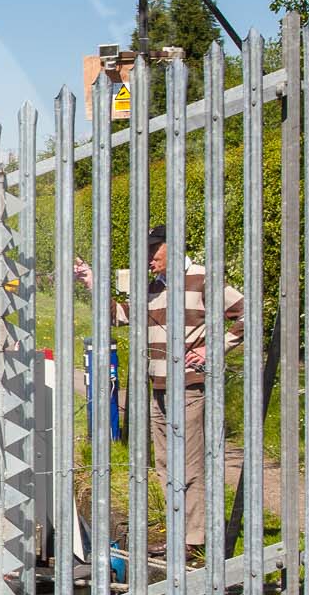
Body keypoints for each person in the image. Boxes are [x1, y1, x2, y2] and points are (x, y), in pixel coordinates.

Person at [72, 225, 245, 551]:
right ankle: (179, 531)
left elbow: (247, 313)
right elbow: (119, 315)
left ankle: (195, 538)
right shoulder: (154, 287)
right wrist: (92, 281)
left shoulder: (203, 279)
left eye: (153, 250)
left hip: (191, 385)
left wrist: (214, 348)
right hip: (160, 385)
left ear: (173, 247)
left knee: (190, 462)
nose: (148, 257)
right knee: (165, 462)